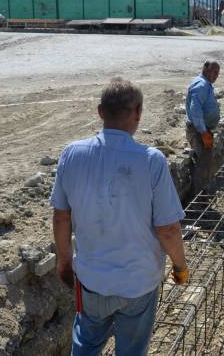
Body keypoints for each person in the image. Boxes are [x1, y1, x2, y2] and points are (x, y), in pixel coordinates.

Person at [51, 78, 189, 355]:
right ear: (138, 112)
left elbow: (61, 218)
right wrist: (179, 266)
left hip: (91, 282)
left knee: (86, 346)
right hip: (138, 284)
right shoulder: (151, 161)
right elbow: (168, 230)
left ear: (100, 111)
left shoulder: (72, 155)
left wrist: (65, 263)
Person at [185, 60, 221, 196]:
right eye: (214, 72)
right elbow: (195, 110)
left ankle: (205, 188)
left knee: (207, 158)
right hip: (199, 131)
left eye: (218, 73)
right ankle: (198, 197)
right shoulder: (201, 85)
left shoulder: (206, 84)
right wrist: (203, 131)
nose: (216, 75)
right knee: (204, 162)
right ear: (205, 69)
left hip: (204, 130)